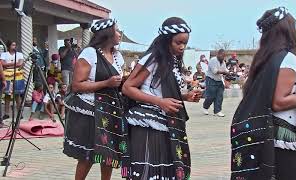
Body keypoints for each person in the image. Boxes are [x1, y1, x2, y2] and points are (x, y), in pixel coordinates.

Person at [230, 7, 296, 180]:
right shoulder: (287, 58)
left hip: (266, 136)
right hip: (281, 138)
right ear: (287, 30)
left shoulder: (264, 59)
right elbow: (278, 102)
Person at [122, 17, 201, 180]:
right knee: (149, 173)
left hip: (165, 122)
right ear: (166, 40)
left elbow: (161, 91)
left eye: (185, 43)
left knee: (164, 172)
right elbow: (127, 87)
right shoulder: (153, 58)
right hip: (148, 124)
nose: (182, 47)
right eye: (178, 42)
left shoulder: (171, 59)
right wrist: (159, 102)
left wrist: (186, 97)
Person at [63, 19, 125, 180]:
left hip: (110, 110)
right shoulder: (90, 53)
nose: (119, 33)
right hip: (90, 110)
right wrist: (107, 83)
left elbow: (119, 82)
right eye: (116, 30)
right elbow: (76, 86)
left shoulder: (118, 56)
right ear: (107, 34)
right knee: (87, 155)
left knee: (109, 155)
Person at [0, 40, 25, 120]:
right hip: (7, 76)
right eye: (12, 45)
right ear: (8, 46)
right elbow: (2, 64)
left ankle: (19, 113)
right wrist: (14, 64)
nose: (14, 46)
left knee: (17, 95)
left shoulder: (19, 54)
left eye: (15, 45)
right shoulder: (4, 54)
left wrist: (8, 66)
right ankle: (6, 113)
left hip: (17, 76)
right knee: (7, 95)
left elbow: (20, 64)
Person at [202, 49, 228, 117]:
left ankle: (217, 111)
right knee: (211, 96)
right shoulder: (213, 60)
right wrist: (225, 72)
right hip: (211, 79)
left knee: (220, 96)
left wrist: (229, 73)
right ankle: (205, 107)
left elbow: (225, 71)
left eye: (224, 56)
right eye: (222, 55)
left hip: (219, 80)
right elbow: (215, 71)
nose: (223, 57)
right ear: (218, 54)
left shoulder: (223, 63)